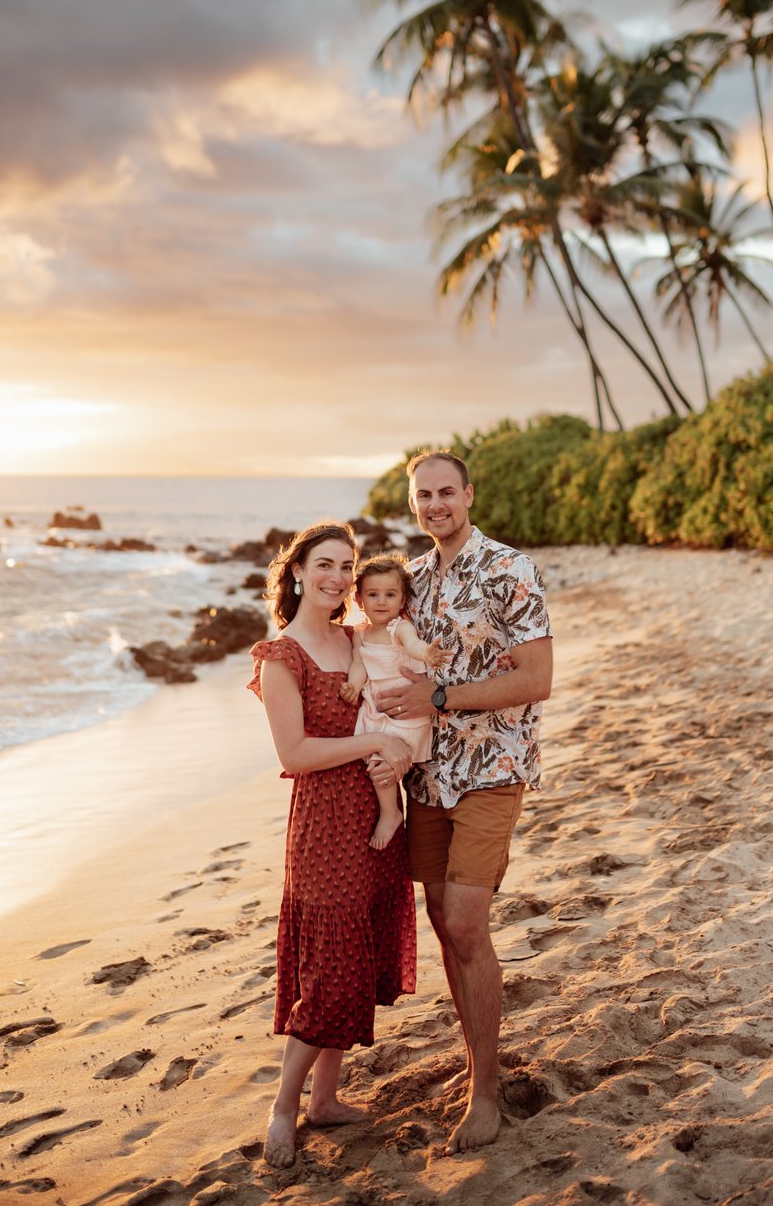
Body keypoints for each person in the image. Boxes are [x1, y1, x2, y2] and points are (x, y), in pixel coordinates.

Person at [369, 452, 553, 1155]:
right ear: (414, 504)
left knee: (467, 919)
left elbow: (537, 678)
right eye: (424, 494)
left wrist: (442, 694)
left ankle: (486, 1093)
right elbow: (376, 648)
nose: (436, 503)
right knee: (445, 922)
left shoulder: (511, 569)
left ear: (469, 494)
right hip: (428, 775)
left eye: (447, 491)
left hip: (492, 766)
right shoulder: (409, 580)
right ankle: (478, 1057)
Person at [248, 521, 417, 1169]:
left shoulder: (359, 638)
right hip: (323, 826)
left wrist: (400, 749)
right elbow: (294, 752)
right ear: (297, 572)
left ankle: (325, 1098)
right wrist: (374, 743)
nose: (339, 577)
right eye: (325, 564)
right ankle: (284, 1109)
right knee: (329, 971)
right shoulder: (278, 656)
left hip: (378, 817)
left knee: (359, 961)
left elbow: (401, 691)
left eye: (347, 566)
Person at [339, 552, 452, 851]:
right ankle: (391, 808)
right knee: (376, 757)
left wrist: (427, 653)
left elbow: (413, 645)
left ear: (402, 601)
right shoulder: (359, 634)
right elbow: (359, 665)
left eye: (390, 595)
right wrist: (353, 685)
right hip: (376, 708)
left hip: (405, 711)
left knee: (382, 763)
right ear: (359, 600)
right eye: (373, 594)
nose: (381, 602)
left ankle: (390, 814)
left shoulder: (398, 628)